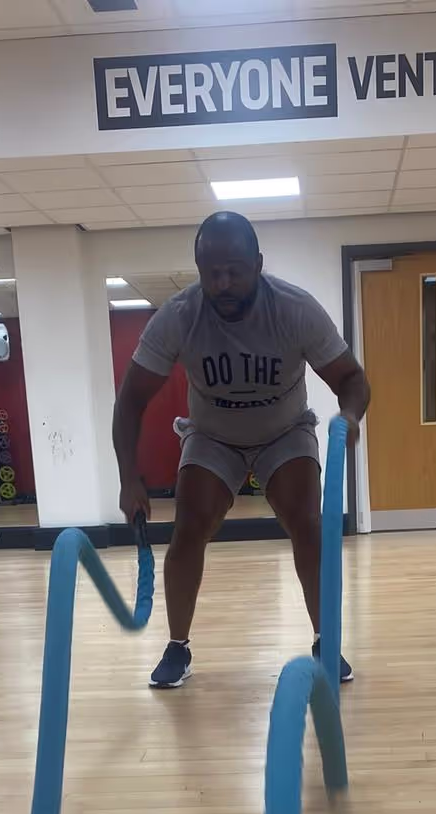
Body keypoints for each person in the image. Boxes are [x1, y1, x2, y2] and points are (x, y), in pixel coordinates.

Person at [112, 211, 370, 688]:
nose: (223, 283)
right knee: (189, 528)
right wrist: (129, 478)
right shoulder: (179, 316)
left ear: (259, 264)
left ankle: (325, 639)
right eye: (211, 273)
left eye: (234, 271)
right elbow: (130, 400)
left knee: (307, 525)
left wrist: (350, 417)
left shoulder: (294, 309)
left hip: (284, 431)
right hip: (213, 436)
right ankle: (177, 647)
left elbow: (351, 379)